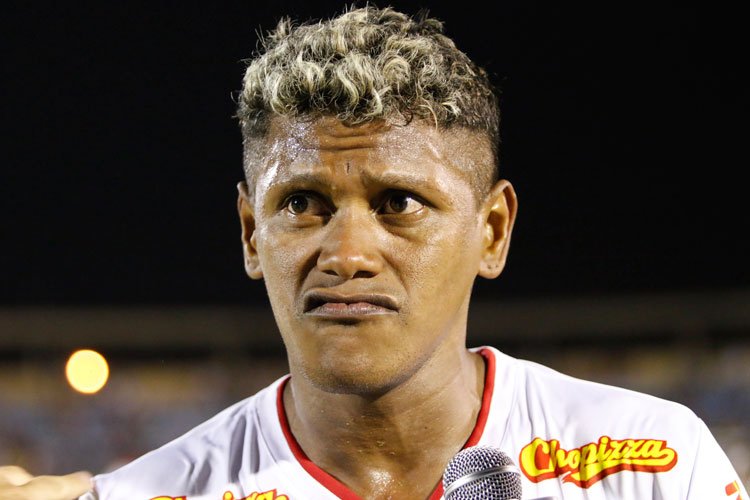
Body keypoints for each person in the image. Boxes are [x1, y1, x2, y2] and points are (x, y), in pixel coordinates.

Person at [2, 6, 746, 500]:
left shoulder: (655, 462)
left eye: (399, 203)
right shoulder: (154, 493)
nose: (348, 254)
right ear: (251, 234)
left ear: (492, 231)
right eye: (302, 204)